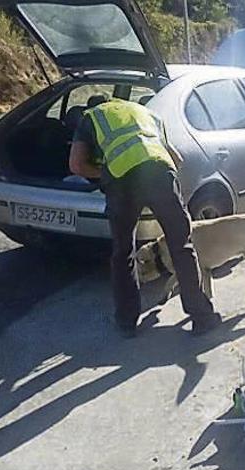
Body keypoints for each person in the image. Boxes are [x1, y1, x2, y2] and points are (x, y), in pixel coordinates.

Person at [69, 96, 220, 337]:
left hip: (122, 184)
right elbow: (177, 159)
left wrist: (106, 174)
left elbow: (76, 166)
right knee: (182, 245)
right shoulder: (146, 113)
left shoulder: (92, 117)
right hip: (160, 174)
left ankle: (127, 323)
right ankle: (202, 317)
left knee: (123, 253)